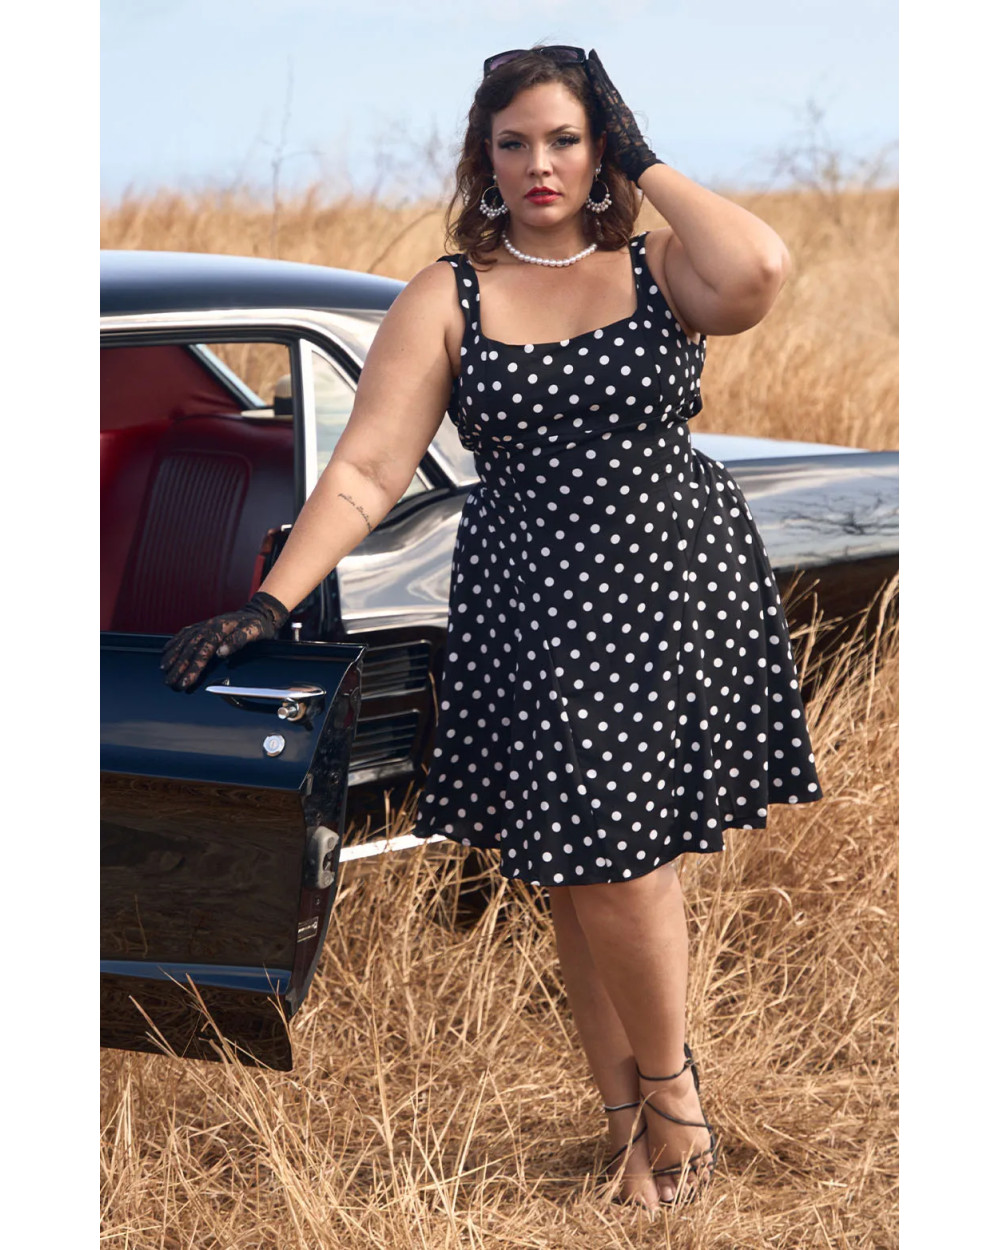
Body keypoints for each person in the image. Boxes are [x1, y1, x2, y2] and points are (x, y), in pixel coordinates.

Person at [161, 45, 822, 1213]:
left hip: (667, 589)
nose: (538, 164)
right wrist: (269, 601)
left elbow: (758, 267)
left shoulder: (658, 264)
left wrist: (645, 159)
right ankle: (628, 1121)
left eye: (566, 139)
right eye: (513, 143)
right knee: (577, 869)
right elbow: (365, 469)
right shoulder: (448, 293)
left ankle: (674, 1110)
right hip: (533, 604)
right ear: (483, 157)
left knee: (622, 862)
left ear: (602, 146)